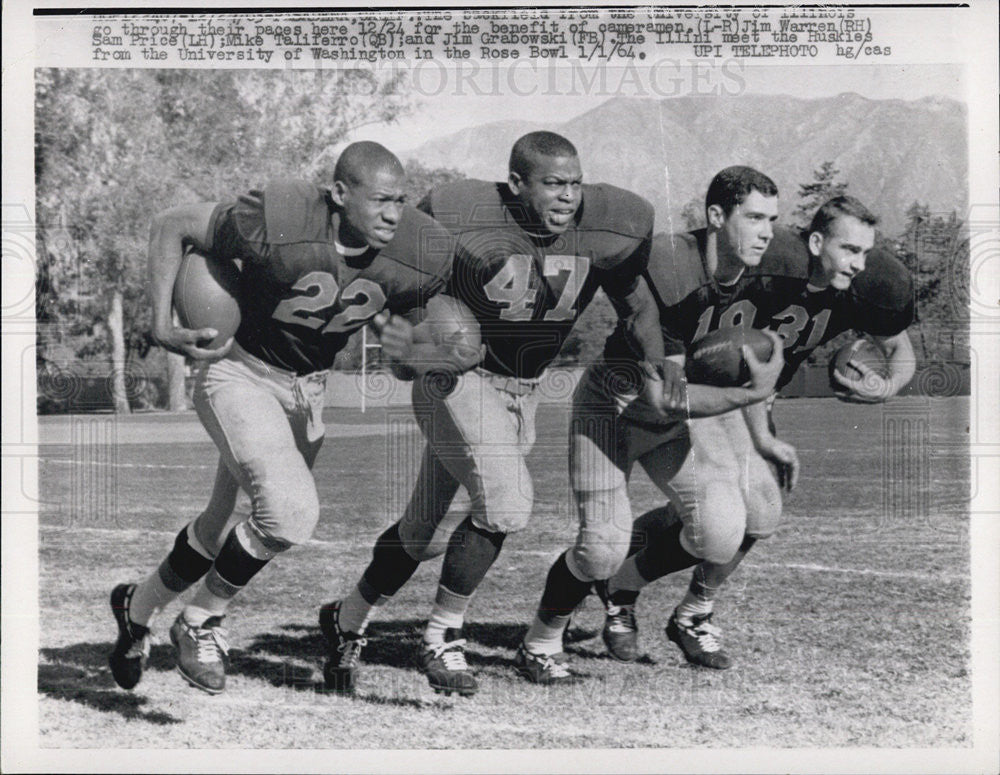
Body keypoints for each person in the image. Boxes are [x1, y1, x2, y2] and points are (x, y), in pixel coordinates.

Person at [319, 131, 682, 696]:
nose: (568, 197)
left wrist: (658, 365)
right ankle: (443, 637)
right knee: (508, 504)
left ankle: (346, 618)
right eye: (553, 184)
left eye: (575, 183)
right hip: (458, 377)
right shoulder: (457, 214)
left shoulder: (608, 227)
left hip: (525, 391)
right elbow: (388, 275)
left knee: (424, 533)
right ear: (516, 185)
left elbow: (637, 304)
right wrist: (406, 342)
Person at [108, 141, 472, 694]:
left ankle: (138, 609)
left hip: (308, 394)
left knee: (215, 527)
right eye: (379, 201)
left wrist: (421, 354)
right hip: (241, 374)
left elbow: (409, 346)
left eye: (400, 200)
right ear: (339, 194)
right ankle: (200, 621)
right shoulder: (279, 220)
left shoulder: (416, 253)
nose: (393, 215)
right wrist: (160, 322)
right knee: (290, 513)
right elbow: (172, 223)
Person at [535, 176, 915, 676]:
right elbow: (705, 372)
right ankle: (587, 603)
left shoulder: (860, 280)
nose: (858, 263)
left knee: (756, 515)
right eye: (849, 249)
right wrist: (751, 403)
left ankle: (683, 608)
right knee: (690, 527)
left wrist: (883, 388)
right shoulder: (758, 268)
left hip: (727, 398)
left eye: (865, 252)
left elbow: (899, 349)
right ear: (817, 243)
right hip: (673, 393)